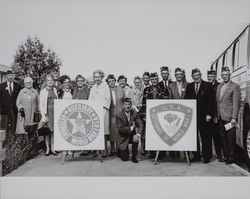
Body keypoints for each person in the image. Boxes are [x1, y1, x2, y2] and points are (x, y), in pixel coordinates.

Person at [185, 68, 214, 163]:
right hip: (193, 116)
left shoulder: (208, 85)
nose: (196, 77)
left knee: (206, 136)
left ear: (200, 75)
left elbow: (211, 101)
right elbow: (186, 101)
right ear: (192, 77)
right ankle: (196, 155)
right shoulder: (189, 86)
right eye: (194, 76)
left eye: (197, 75)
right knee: (194, 137)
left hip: (205, 116)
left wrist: (209, 114)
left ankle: (207, 156)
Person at [216, 66, 240, 164]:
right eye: (223, 75)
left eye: (227, 75)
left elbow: (236, 104)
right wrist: (215, 115)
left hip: (230, 117)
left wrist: (234, 118)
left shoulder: (235, 86)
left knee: (230, 139)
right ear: (221, 76)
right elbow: (217, 102)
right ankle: (226, 155)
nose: (225, 76)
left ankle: (231, 157)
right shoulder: (219, 86)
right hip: (220, 116)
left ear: (230, 75)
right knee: (223, 138)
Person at [140, 72, 164, 159]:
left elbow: (165, 103)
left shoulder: (163, 89)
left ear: (158, 80)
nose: (154, 81)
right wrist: (144, 116)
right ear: (150, 80)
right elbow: (144, 104)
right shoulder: (146, 90)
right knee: (151, 135)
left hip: (160, 116)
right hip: (149, 115)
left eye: (155, 79)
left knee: (160, 134)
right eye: (152, 79)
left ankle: (160, 154)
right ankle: (153, 153)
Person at [89, 69, 111, 157]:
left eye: (98, 77)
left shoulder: (105, 86)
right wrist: (92, 108)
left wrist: (102, 107)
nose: (97, 78)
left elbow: (107, 98)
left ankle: (104, 150)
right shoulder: (93, 88)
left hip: (103, 111)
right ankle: (97, 150)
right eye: (95, 77)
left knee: (104, 132)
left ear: (102, 77)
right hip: (94, 111)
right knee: (96, 131)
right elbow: (90, 99)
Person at [168, 67, 189, 159]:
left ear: (183, 75)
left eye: (180, 74)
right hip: (175, 113)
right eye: (177, 75)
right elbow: (169, 99)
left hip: (186, 113)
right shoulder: (171, 86)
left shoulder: (188, 85)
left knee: (185, 133)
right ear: (175, 76)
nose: (178, 76)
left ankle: (186, 153)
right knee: (174, 133)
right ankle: (174, 153)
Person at [116, 98, 143, 163]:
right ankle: (120, 151)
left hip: (131, 135)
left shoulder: (134, 113)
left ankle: (134, 157)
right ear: (123, 105)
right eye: (126, 104)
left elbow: (140, 124)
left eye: (129, 104)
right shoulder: (119, 115)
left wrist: (138, 134)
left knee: (136, 138)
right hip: (123, 137)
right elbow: (121, 129)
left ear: (131, 105)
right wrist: (131, 128)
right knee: (125, 158)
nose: (127, 106)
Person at [39, 74, 59, 156]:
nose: (50, 82)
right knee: (47, 131)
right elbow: (41, 104)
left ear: (53, 81)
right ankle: (47, 149)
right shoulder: (43, 91)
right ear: (46, 82)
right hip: (47, 113)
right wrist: (43, 116)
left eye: (51, 80)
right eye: (48, 80)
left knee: (53, 131)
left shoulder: (55, 90)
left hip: (55, 113)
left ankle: (53, 148)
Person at [106, 74, 125, 156]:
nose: (111, 83)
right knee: (112, 132)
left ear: (115, 81)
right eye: (109, 81)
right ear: (107, 83)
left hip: (120, 113)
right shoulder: (106, 90)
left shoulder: (120, 89)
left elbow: (125, 100)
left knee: (119, 131)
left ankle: (118, 149)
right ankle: (112, 149)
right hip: (110, 114)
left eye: (113, 81)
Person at [207, 69, 223, 162]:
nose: (210, 78)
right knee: (208, 137)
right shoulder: (206, 85)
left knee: (217, 137)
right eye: (208, 76)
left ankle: (219, 154)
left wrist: (216, 115)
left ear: (215, 77)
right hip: (208, 116)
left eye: (211, 76)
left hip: (215, 116)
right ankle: (208, 155)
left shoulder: (218, 86)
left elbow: (217, 103)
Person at [72, 75, 90, 156]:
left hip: (85, 112)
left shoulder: (88, 90)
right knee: (79, 131)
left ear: (84, 81)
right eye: (78, 80)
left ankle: (87, 150)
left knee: (86, 131)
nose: (80, 82)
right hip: (77, 112)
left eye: (81, 80)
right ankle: (83, 149)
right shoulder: (75, 90)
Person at [0, 69, 22, 134]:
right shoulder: (1, 86)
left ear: (14, 76)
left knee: (14, 126)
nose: (10, 77)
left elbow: (20, 98)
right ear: (6, 76)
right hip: (4, 110)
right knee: (4, 127)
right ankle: (3, 142)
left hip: (14, 110)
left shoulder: (18, 86)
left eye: (12, 75)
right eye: (9, 75)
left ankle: (13, 141)